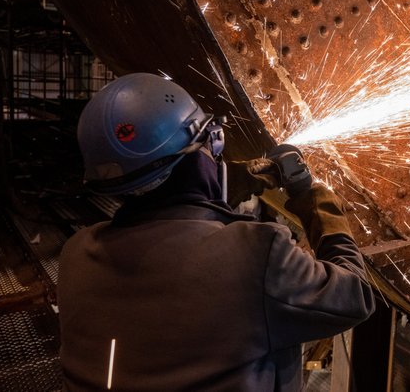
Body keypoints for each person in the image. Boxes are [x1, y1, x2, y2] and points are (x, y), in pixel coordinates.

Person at [59, 72, 375, 391]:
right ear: (210, 144)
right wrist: (313, 200)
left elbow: (177, 210)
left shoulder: (76, 254)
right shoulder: (257, 255)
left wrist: (246, 179)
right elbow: (354, 295)